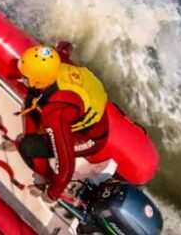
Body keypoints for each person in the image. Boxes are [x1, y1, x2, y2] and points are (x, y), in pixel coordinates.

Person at [14, 45, 111, 202]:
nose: (22, 78)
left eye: (25, 76)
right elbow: (64, 48)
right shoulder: (56, 66)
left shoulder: (56, 114)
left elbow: (66, 162)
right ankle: (33, 142)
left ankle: (47, 178)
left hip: (90, 137)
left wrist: (53, 193)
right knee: (31, 100)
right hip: (82, 115)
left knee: (27, 147)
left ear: (38, 78)